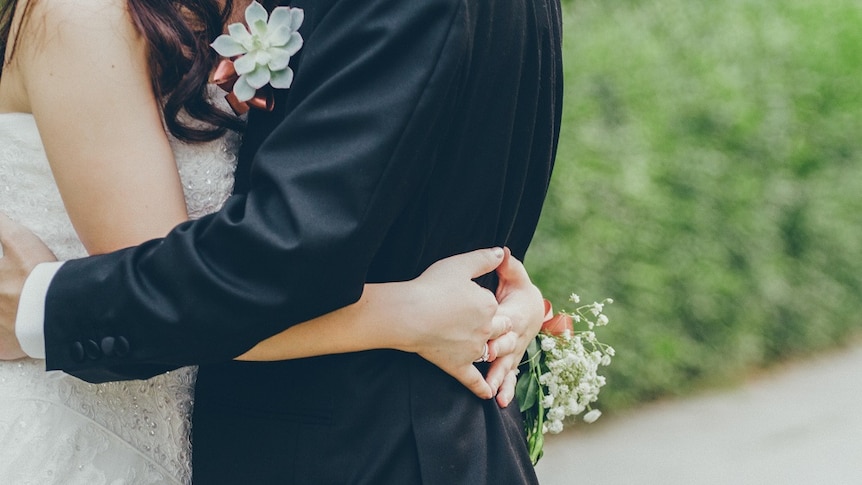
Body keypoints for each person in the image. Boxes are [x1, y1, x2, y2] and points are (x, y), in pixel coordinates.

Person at [0, 0, 561, 483]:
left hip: (322, 433)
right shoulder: (81, 17)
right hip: (89, 421)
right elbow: (193, 282)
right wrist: (409, 313)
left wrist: (495, 300)